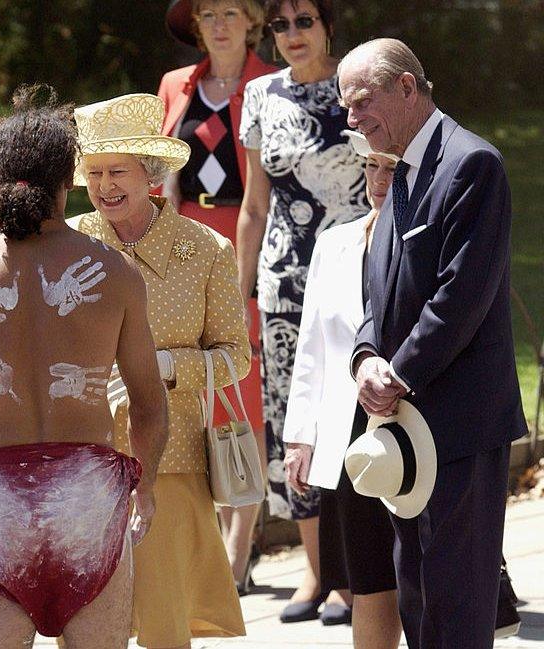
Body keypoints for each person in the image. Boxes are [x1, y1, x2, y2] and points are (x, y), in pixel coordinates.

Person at [0, 86, 169, 649]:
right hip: (89, 501)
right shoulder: (114, 273)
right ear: (67, 182)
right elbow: (147, 402)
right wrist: (146, 488)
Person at [340, 38, 527, 648]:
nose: (351, 119)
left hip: (460, 428)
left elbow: (462, 297)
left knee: (458, 602)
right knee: (418, 598)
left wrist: (395, 374)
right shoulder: (401, 173)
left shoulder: (471, 165)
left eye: (361, 101)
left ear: (406, 88)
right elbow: (379, 292)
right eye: (346, 106)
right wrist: (365, 358)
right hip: (407, 433)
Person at [70, 93, 249, 648]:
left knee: (164, 624)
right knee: (89, 622)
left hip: (170, 458)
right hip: (82, 458)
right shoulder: (67, 244)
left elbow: (235, 357)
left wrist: (166, 366)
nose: (105, 186)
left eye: (117, 171)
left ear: (149, 174)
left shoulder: (207, 250)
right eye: (94, 173)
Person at [236, 0, 367, 622]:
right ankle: (315, 573)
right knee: (294, 424)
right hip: (285, 281)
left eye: (304, 21)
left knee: (350, 412)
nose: (291, 35)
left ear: (329, 26)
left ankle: (353, 573)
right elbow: (254, 206)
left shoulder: (357, 85)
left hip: (352, 274)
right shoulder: (260, 94)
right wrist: (239, 294)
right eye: (280, 25)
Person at [157, 0, 277, 592]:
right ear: (198, 27)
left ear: (251, 21)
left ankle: (237, 550)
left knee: (242, 392)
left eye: (232, 11)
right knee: (193, 391)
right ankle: (202, 538)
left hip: (247, 239)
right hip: (187, 242)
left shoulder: (268, 83)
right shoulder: (175, 85)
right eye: (209, 14)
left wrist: (246, 276)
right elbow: (166, 174)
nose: (221, 23)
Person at [281, 130, 402, 641]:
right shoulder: (334, 243)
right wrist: (300, 436)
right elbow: (311, 347)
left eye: (391, 168)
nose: (378, 179)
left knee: (420, 578)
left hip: (417, 427)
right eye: (370, 165)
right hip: (351, 435)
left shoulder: (430, 242)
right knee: (368, 576)